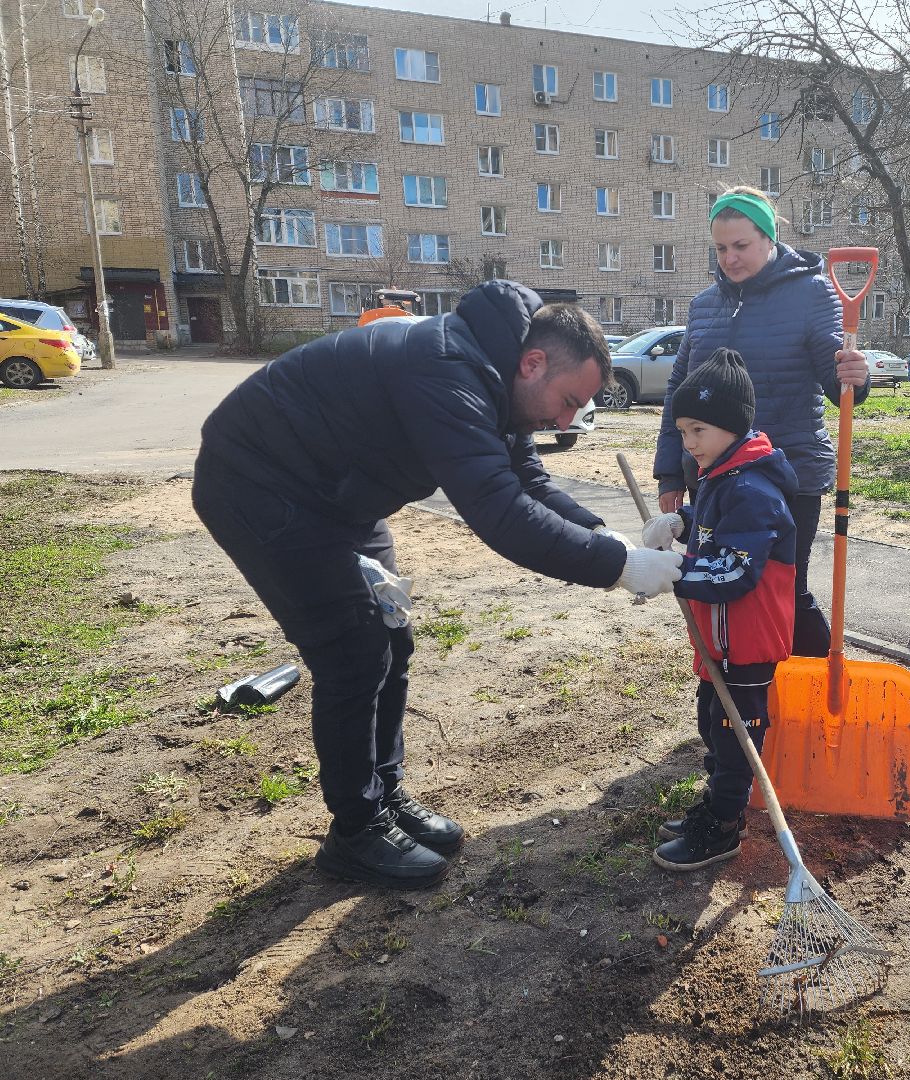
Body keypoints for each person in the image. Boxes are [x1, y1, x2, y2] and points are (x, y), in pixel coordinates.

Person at [191, 281, 682, 890]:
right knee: (351, 650)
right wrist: (621, 568)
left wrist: (611, 538)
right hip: (260, 487)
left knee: (391, 636)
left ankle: (384, 797)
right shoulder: (447, 369)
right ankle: (355, 832)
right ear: (533, 363)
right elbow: (500, 513)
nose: (564, 419)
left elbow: (528, 480)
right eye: (566, 400)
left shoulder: (499, 373)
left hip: (340, 497)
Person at [652, 186, 870, 659]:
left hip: (787, 473)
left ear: (769, 239)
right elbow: (679, 393)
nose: (729, 258)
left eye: (741, 246)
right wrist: (671, 471)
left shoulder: (813, 293)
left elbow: (840, 386)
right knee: (727, 588)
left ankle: (815, 684)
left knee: (783, 589)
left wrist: (856, 374)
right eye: (720, 248)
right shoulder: (704, 305)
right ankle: (747, 689)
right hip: (711, 475)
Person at [640, 348, 797, 871]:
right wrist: (681, 522)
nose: (687, 443)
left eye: (697, 430)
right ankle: (715, 805)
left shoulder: (753, 489)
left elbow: (736, 571)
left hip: (748, 644)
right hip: (718, 642)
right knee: (712, 723)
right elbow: (710, 523)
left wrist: (676, 573)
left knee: (735, 742)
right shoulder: (719, 477)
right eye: (681, 430)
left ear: (731, 426)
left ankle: (724, 828)